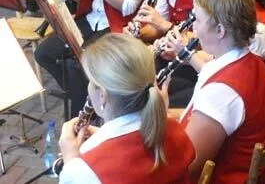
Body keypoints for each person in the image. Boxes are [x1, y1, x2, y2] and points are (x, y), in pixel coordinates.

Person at [162, 0, 265, 183]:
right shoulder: (251, 61)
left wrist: (161, 113)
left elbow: (188, 165)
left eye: (198, 21)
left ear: (220, 30)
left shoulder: (222, 91)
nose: (193, 28)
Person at [58, 34, 196, 183]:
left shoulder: (83, 171)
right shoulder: (174, 128)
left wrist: (70, 161)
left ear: (102, 95)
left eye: (91, 81)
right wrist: (103, 138)